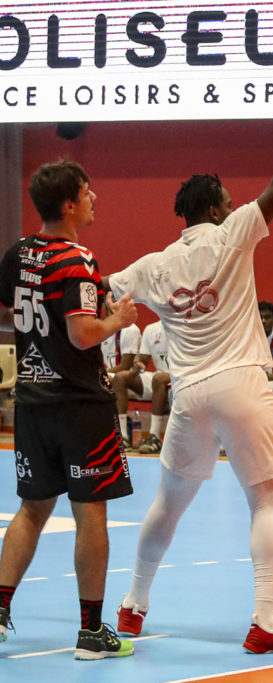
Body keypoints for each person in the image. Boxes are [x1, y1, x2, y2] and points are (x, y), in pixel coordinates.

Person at [109, 61, 273, 652]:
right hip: (243, 384)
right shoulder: (236, 231)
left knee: (168, 505)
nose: (235, 200)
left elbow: (93, 287)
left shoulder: (152, 265)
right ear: (216, 209)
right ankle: (265, 623)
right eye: (227, 197)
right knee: (265, 500)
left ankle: (132, 607)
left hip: (188, 395)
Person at [0, 160, 138, 659]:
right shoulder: (76, 259)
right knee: (90, 513)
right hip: (80, 406)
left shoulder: (18, 254)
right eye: (88, 190)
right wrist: (117, 319)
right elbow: (83, 335)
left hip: (32, 402)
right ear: (69, 205)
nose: (95, 197)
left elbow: (19, 310)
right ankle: (91, 633)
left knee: (33, 509)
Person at [111, 320, 171, 454]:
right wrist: (138, 365)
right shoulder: (151, 329)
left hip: (181, 375)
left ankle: (154, 436)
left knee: (158, 378)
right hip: (159, 377)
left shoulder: (185, 326)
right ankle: (123, 437)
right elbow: (143, 361)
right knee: (120, 377)